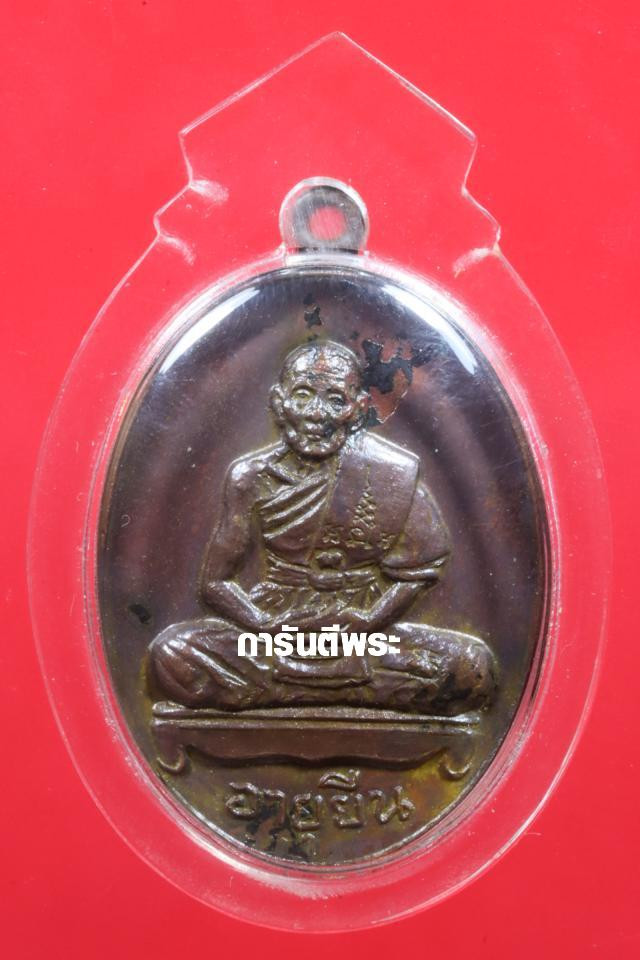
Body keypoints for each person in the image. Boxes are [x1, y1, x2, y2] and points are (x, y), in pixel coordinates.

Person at [149, 341, 495, 714]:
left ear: (357, 409)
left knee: (470, 667)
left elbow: (419, 570)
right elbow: (215, 583)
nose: (317, 414)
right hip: (275, 633)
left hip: (366, 635)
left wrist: (368, 621)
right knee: (172, 654)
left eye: (335, 400)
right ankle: (346, 692)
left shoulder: (390, 473)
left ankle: (281, 693)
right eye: (303, 396)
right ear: (279, 403)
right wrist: (266, 625)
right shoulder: (250, 477)